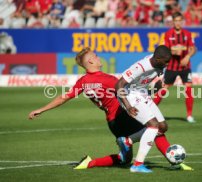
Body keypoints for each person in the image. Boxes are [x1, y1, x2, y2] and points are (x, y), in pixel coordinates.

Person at [28, 47, 180, 172]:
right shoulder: (108, 80)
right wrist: (153, 92)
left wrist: (42, 109)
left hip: (112, 122)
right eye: (95, 55)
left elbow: (64, 97)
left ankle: (90, 163)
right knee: (155, 129)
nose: (98, 56)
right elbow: (129, 91)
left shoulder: (84, 81)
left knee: (124, 159)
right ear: (90, 61)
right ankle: (173, 160)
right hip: (123, 115)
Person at [115, 45, 172, 173]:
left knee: (162, 127)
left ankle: (128, 141)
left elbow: (150, 86)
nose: (168, 64)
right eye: (166, 61)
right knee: (153, 125)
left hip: (142, 93)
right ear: (157, 59)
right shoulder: (140, 66)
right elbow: (119, 84)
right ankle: (137, 165)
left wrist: (157, 87)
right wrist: (128, 106)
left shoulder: (160, 65)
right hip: (129, 95)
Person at [153, 11, 197, 123]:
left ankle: (189, 115)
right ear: (173, 22)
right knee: (163, 90)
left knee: (188, 88)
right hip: (172, 67)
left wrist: (187, 56)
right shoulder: (168, 34)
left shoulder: (187, 34)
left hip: (185, 66)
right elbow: (164, 50)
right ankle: (151, 111)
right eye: (176, 21)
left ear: (182, 21)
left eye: (179, 20)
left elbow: (193, 49)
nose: (178, 23)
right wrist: (173, 51)